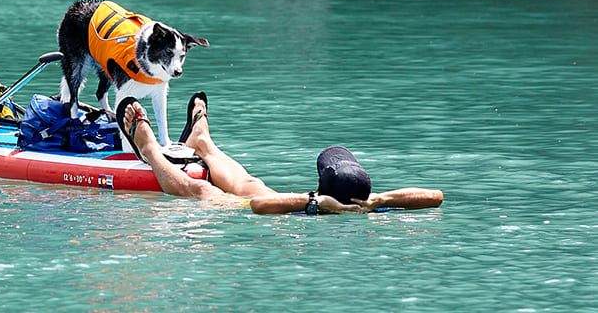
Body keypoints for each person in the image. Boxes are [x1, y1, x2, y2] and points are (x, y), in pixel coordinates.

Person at [116, 94, 443, 214]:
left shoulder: (319, 208)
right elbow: (435, 196)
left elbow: (259, 207)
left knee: (201, 189)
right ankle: (203, 142)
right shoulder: (364, 205)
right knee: (249, 181)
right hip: (299, 203)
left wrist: (315, 203)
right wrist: (381, 201)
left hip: (275, 211)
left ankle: (148, 149)